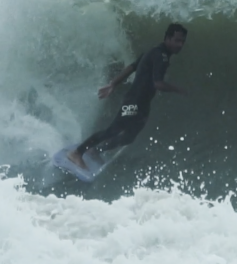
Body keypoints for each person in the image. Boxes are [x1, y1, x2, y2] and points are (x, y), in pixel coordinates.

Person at [67, 23, 189, 169]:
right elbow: (158, 84)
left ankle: (96, 151)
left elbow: (132, 67)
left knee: (129, 136)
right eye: (177, 41)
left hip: (142, 103)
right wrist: (179, 90)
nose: (180, 45)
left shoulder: (154, 52)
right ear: (167, 38)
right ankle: (77, 153)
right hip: (134, 101)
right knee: (112, 131)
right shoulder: (160, 56)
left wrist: (113, 84)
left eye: (182, 42)